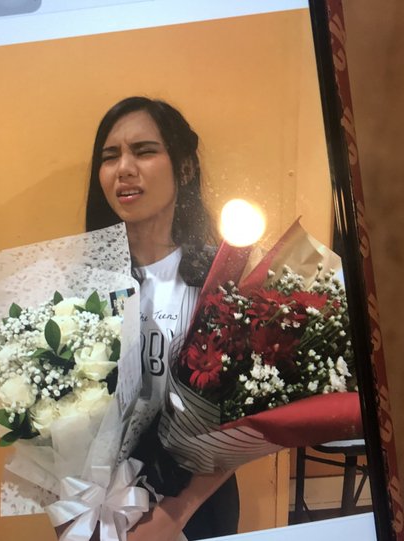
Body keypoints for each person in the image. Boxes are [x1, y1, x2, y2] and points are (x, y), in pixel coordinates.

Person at [86, 97, 240, 540]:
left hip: (197, 509)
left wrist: (175, 514)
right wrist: (73, 510)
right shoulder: (85, 286)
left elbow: (244, 419)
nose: (124, 169)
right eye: (110, 156)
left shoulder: (220, 277)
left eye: (144, 151)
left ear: (184, 168)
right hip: (99, 508)